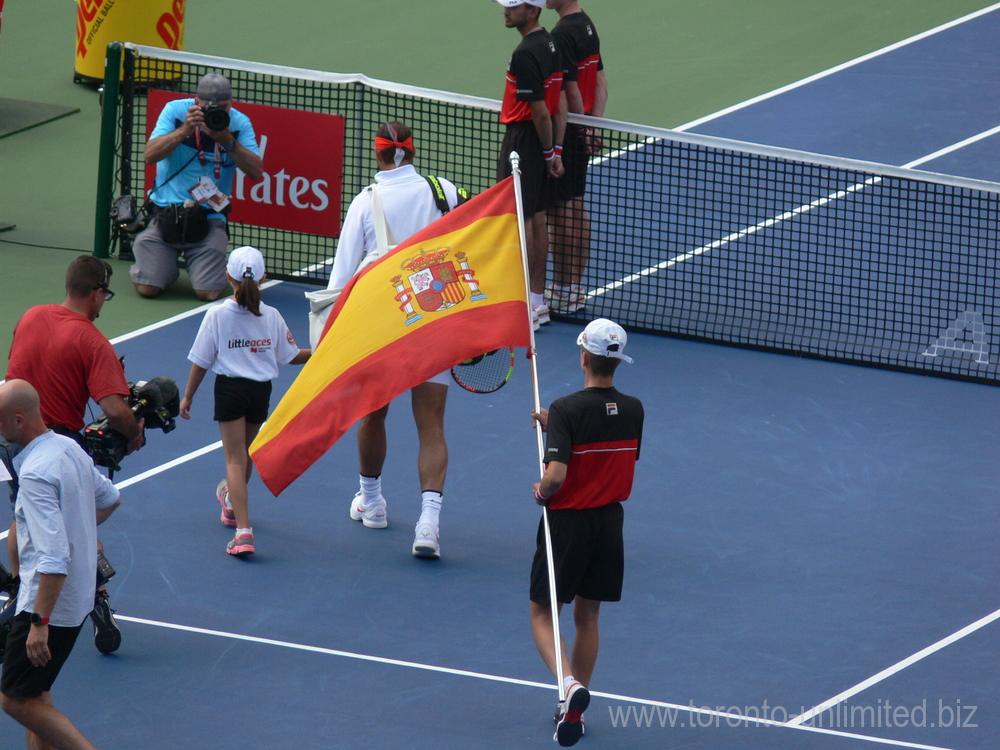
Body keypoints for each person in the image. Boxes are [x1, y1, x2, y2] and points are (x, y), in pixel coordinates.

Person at [329, 121, 467, 560]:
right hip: (433, 317)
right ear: (411, 150)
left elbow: (340, 280)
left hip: (383, 324)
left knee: (373, 415)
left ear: (379, 153)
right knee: (432, 424)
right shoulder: (443, 190)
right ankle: (429, 523)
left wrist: (329, 343)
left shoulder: (365, 203)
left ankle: (372, 503)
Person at [6, 254, 144, 655]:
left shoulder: (31, 316)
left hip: (12, 440)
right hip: (57, 445)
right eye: (106, 296)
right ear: (97, 293)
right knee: (75, 525)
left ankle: (20, 592)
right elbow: (116, 410)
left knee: (24, 517)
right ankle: (93, 602)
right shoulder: (92, 340)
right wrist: (134, 434)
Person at [530, 318, 644, 747]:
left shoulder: (567, 409)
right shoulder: (634, 408)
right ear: (616, 363)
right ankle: (570, 714)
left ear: (583, 358)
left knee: (542, 614)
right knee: (588, 616)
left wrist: (543, 491)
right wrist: (556, 426)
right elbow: (607, 445)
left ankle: (568, 686)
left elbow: (556, 475)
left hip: (567, 524)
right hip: (610, 524)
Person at [0, 379, 120, 750]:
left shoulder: (35, 474)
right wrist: (77, 526)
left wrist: (40, 623)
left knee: (15, 700)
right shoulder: (68, 446)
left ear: (19, 420)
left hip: (48, 604)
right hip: (79, 597)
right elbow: (110, 498)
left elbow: (53, 559)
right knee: (37, 690)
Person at [180, 245, 310, 556]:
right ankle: (229, 505)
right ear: (263, 277)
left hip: (230, 391)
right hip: (259, 393)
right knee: (246, 456)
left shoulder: (217, 315)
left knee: (234, 460)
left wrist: (188, 396)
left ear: (228, 276)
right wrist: (322, 352)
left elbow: (201, 361)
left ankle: (243, 531)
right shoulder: (273, 316)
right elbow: (291, 357)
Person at [130, 72, 264, 301]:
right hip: (165, 212)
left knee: (208, 293)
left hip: (210, 216)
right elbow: (150, 155)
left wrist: (226, 139)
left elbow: (256, 171)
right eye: (210, 107)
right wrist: (184, 131)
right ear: (196, 102)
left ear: (230, 103)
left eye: (224, 107)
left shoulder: (239, 123)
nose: (217, 112)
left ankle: (193, 263)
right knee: (148, 288)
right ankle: (165, 267)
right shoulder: (175, 112)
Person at [494, 0, 565, 331]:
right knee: (537, 218)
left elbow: (539, 112)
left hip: (523, 142)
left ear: (533, 10)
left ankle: (522, 302)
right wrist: (555, 152)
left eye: (513, 6)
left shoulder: (524, 53)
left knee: (519, 220)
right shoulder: (551, 42)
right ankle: (537, 302)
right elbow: (559, 104)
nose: (506, 11)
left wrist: (549, 152)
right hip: (540, 144)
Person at [545, 0, 607, 314]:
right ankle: (574, 289)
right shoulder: (586, 24)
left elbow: (570, 92)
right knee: (576, 204)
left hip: (567, 131)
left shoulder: (561, 33)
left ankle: (561, 289)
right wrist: (594, 125)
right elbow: (600, 81)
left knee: (560, 211)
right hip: (582, 127)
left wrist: (578, 131)